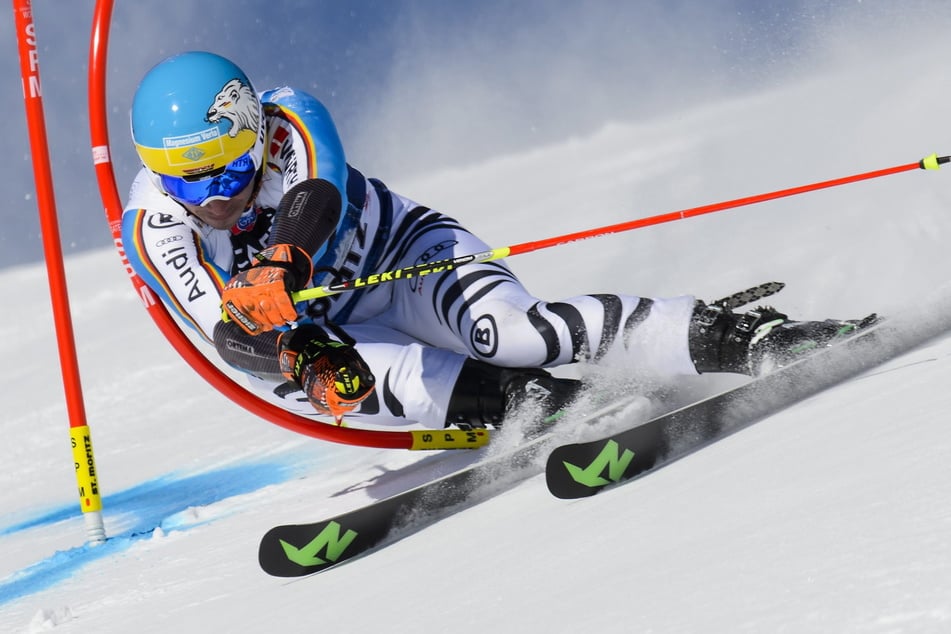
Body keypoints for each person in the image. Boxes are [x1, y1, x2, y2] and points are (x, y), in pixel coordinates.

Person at [122, 51, 870, 433]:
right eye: (185, 181)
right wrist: (299, 355)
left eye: (230, 169)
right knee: (374, 381)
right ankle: (533, 403)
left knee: (512, 333)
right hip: (329, 326)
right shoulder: (156, 227)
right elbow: (225, 332)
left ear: (254, 132)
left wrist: (283, 262)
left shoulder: (289, 116)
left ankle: (741, 337)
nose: (213, 198)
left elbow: (318, 194)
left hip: (406, 259)